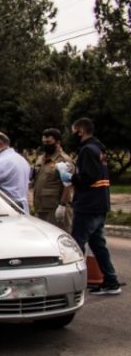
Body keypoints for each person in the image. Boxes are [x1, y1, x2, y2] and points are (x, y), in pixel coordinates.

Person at [69, 117, 122, 295]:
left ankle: (73, 283)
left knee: (76, 244)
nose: (73, 135)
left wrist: (71, 177)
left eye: (74, 131)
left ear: (81, 131)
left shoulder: (87, 150)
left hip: (88, 204)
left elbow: (88, 177)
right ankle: (110, 281)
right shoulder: (98, 149)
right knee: (98, 245)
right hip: (99, 203)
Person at [30, 128, 74, 232]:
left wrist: (62, 205)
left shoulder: (63, 160)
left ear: (58, 142)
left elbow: (67, 185)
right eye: (44, 142)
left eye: (49, 142)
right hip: (40, 207)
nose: (46, 145)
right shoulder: (41, 158)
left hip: (54, 208)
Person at [0, 131, 31, 212]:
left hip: (8, 208)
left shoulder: (1, 162)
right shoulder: (21, 160)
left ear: (0, 144)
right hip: (22, 208)